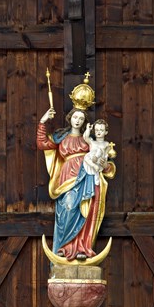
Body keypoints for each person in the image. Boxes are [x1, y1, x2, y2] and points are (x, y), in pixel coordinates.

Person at [37, 107, 116, 261]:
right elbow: (42, 144)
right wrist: (43, 121)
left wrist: (105, 165)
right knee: (68, 208)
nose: (78, 120)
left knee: (85, 211)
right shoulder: (61, 136)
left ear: (84, 121)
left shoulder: (89, 140)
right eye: (75, 117)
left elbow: (106, 163)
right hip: (67, 179)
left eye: (81, 118)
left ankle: (82, 248)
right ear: (70, 118)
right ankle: (63, 247)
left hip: (86, 177)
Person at [83, 120, 111, 185]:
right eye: (96, 130)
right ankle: (94, 167)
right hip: (91, 161)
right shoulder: (92, 142)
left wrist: (104, 160)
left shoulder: (106, 144)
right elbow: (85, 137)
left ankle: (97, 177)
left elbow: (106, 154)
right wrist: (88, 129)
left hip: (99, 161)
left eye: (101, 130)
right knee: (86, 157)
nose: (98, 132)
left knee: (99, 152)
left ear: (106, 132)